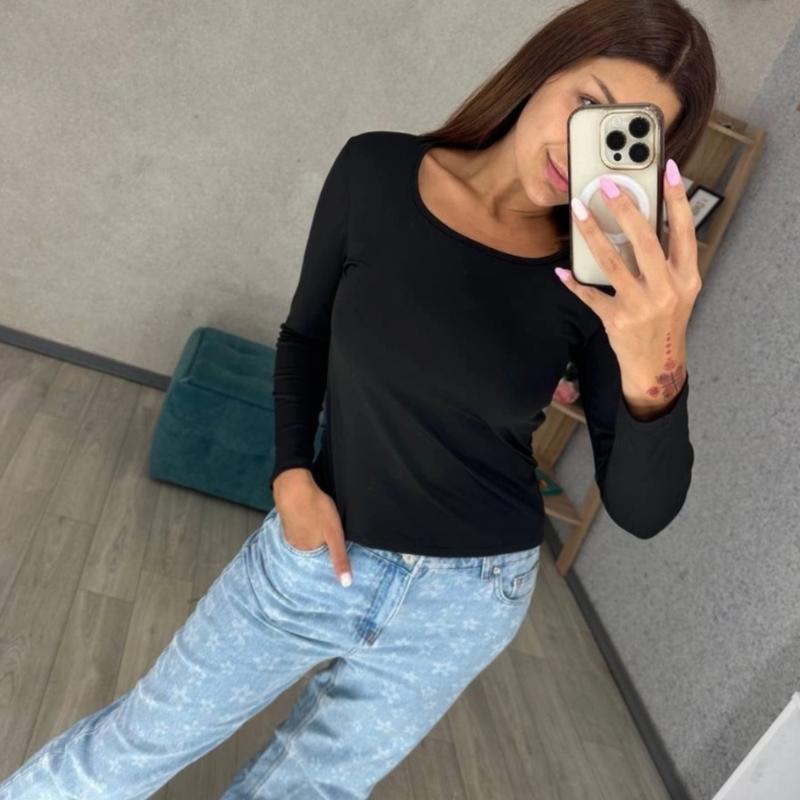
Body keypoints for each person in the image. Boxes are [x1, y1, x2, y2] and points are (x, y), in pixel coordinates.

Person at [0, 0, 715, 797]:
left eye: (627, 135)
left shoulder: (606, 281)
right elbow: (305, 337)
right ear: (544, 69)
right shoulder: (376, 172)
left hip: (469, 599)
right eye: (588, 104)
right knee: (132, 747)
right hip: (318, 553)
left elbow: (643, 510)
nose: (586, 148)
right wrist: (289, 477)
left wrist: (659, 355)